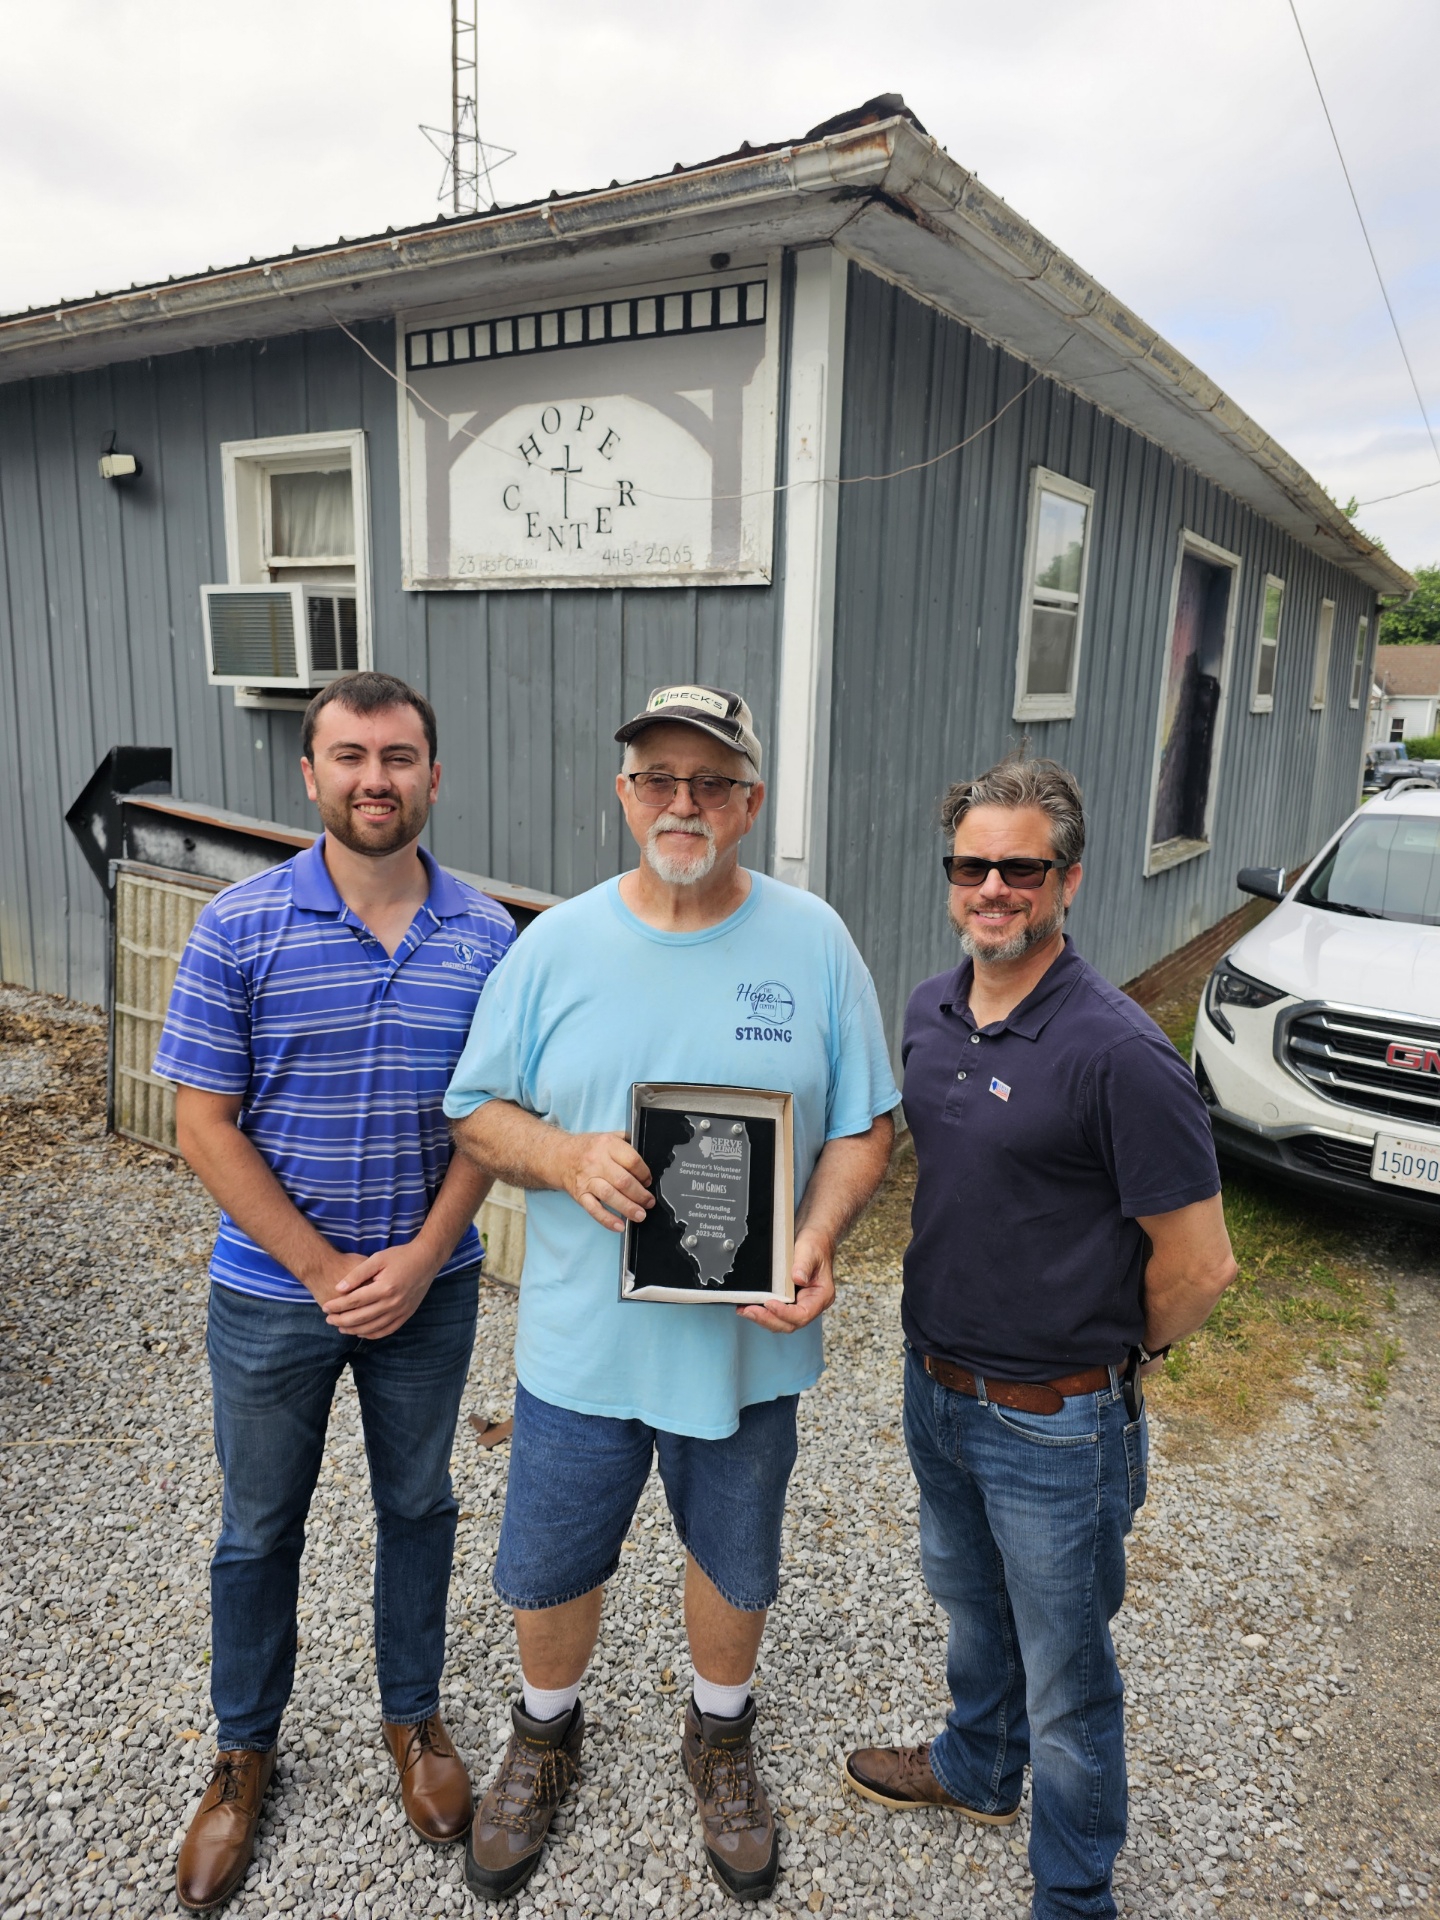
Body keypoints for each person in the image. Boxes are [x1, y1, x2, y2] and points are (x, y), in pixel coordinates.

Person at [444, 684, 900, 1905]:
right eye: (658, 777)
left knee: (737, 1561)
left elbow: (867, 1128)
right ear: (624, 793)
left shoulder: (815, 941)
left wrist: (812, 1233)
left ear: (750, 802)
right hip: (583, 1349)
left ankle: (721, 1734)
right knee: (549, 1565)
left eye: (711, 781)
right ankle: (544, 1738)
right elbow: (475, 1112)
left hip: (748, 1350)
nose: (682, 802)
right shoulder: (555, 947)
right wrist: (565, 1155)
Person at [843, 755, 1237, 1920]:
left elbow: (1201, 1264)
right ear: (951, 875)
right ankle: (975, 1765)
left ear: (1068, 879)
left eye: (1023, 868)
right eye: (973, 865)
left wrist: (1112, 1368)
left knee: (1069, 1675)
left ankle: (1073, 1895)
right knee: (972, 1608)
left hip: (1057, 1420)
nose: (994, 888)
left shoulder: (1119, 1053)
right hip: (938, 1389)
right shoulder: (930, 1007)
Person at [154, 671, 516, 1913]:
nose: (378, 778)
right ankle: (243, 1752)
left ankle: (411, 1721)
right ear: (309, 775)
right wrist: (322, 1271)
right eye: (352, 756)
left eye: (401, 756)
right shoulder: (238, 927)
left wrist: (417, 1260)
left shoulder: (487, 939)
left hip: (434, 1288)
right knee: (259, 1528)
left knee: (419, 1505)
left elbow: (492, 1124)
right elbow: (202, 1124)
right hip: (270, 1294)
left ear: (433, 775)